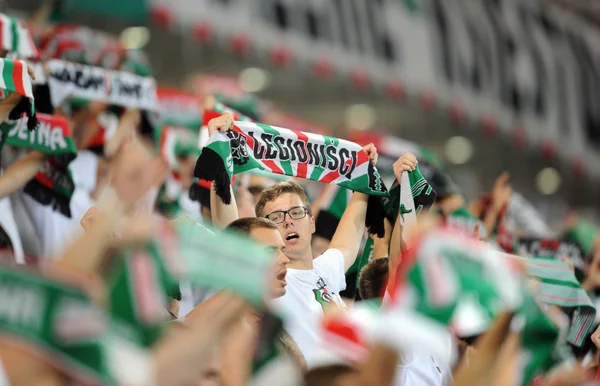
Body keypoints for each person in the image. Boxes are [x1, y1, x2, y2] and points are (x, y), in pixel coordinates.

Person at [205, 113, 416, 366]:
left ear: (312, 221)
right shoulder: (268, 279)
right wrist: (219, 154)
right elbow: (230, 230)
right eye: (275, 217)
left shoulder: (325, 269)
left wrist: (363, 171)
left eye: (296, 212)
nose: (287, 221)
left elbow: (351, 231)